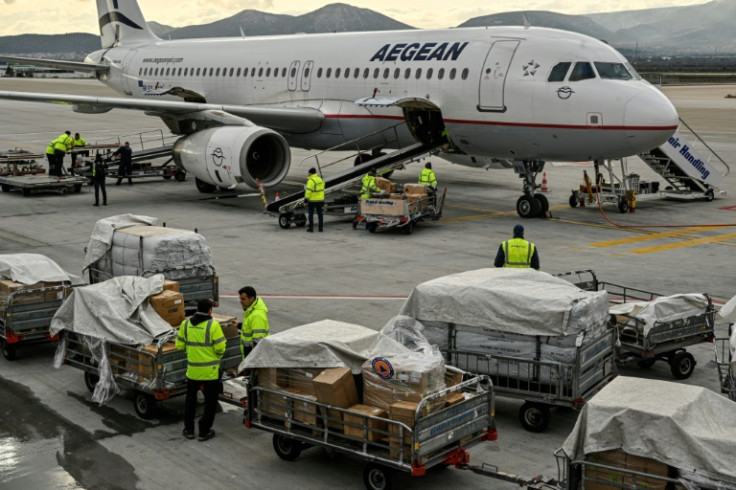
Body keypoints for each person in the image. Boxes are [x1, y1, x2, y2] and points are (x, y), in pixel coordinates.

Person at [175, 299, 226, 442]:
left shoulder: (185, 325)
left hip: (193, 371)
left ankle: (189, 430)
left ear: (197, 308)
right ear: (210, 310)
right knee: (210, 402)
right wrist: (215, 356)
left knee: (190, 401)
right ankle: (204, 431)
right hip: (210, 372)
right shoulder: (213, 326)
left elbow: (179, 346)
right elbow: (221, 348)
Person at [238, 286, 269, 359]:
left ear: (251, 299)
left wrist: (250, 363)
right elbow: (250, 328)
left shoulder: (257, 316)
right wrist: (239, 325)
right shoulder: (251, 311)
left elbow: (258, 342)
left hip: (253, 359)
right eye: (240, 299)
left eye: (243, 299)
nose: (240, 301)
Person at [304, 167, 325, 232]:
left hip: (312, 201)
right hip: (320, 200)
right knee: (320, 214)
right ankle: (320, 228)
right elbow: (323, 186)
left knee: (311, 214)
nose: (308, 174)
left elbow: (308, 192)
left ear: (310, 173)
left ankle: (311, 228)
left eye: (308, 172)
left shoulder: (310, 181)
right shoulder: (320, 179)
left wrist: (306, 200)